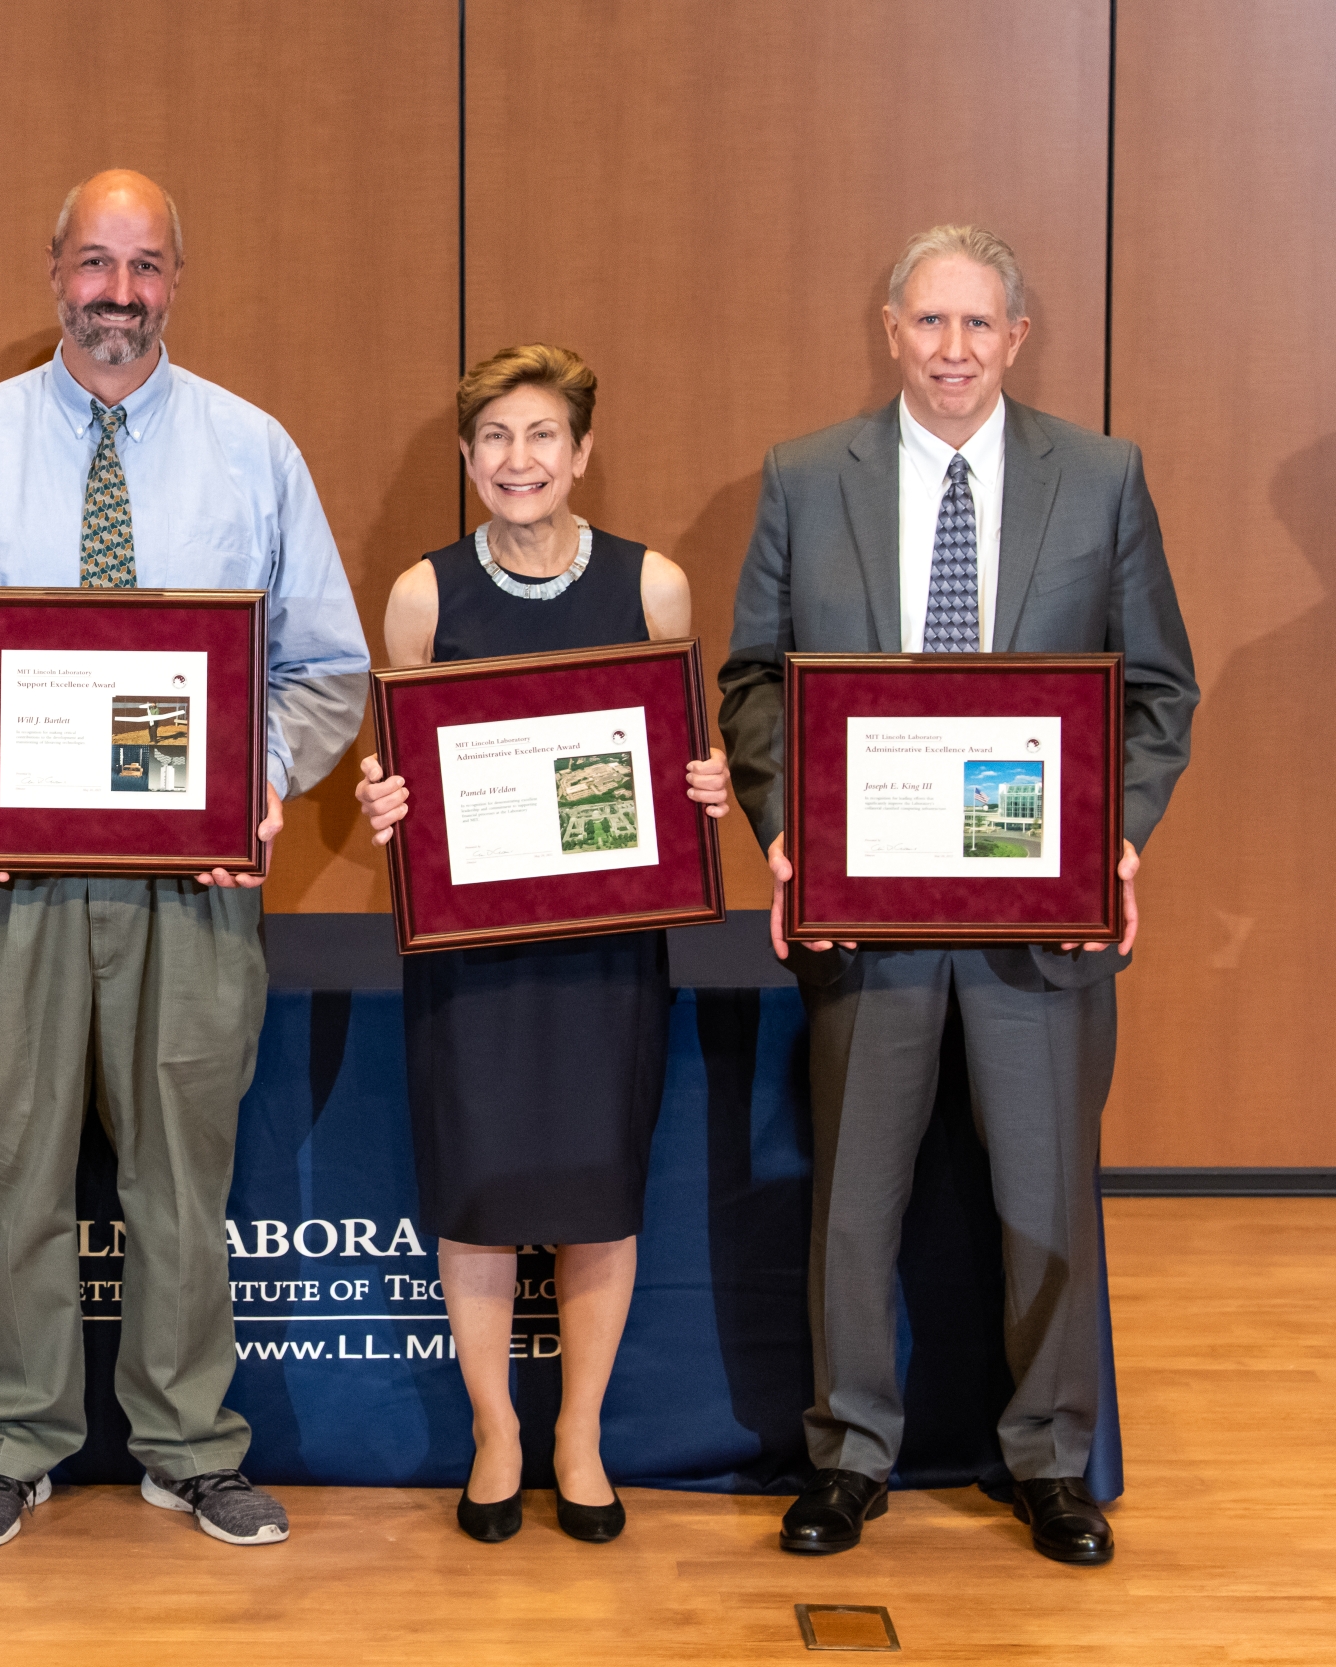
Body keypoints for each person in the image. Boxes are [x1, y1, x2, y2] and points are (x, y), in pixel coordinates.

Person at [0, 169, 370, 1550]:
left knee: (179, 1178)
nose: (119, 295)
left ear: (177, 281)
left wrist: (258, 782)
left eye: (145, 267)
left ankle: (189, 1444)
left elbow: (326, 666)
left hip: (189, 890)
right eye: (96, 264)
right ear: (53, 273)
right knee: (11, 1165)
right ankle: (12, 1438)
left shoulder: (252, 450)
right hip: (5, 885)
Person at [718, 226, 1198, 1565]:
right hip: (864, 916)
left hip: (1039, 926)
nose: (952, 350)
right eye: (929, 323)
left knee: (1046, 1197)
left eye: (978, 326)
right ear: (889, 329)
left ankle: (1050, 1457)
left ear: (1018, 337)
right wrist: (786, 831)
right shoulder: (808, 476)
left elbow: (1156, 686)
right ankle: (848, 1452)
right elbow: (756, 680)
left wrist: (1119, 840)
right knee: (854, 1202)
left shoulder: (1101, 479)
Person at [353, 345, 733, 1544]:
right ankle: (494, 1431)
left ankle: (577, 1430)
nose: (518, 461)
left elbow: (675, 763)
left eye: (541, 436)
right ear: (467, 459)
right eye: (495, 439)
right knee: (477, 1191)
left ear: (580, 453)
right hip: (469, 954)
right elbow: (395, 764)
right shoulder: (421, 593)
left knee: (595, 1191)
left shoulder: (653, 585)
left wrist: (704, 789)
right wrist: (382, 804)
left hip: (602, 950)